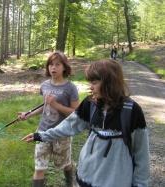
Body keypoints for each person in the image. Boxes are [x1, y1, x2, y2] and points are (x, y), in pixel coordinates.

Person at [22, 59, 150, 187]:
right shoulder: (90, 104)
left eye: (94, 82)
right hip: (85, 178)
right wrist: (41, 135)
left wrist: (140, 184)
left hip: (116, 181)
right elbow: (69, 125)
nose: (91, 87)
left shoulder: (132, 111)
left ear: (110, 83)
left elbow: (141, 154)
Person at [18, 51, 80, 187]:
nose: (53, 68)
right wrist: (28, 114)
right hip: (42, 131)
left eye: (57, 64)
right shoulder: (45, 85)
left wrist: (56, 105)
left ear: (64, 67)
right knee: (39, 167)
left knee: (64, 164)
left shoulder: (70, 88)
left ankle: (70, 181)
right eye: (51, 64)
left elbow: (76, 113)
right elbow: (44, 106)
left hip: (62, 133)